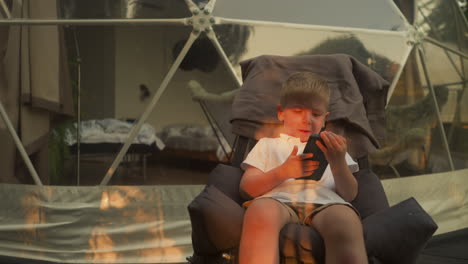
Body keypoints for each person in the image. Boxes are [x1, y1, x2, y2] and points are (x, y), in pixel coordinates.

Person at [239, 72, 368, 264]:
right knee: (260, 212)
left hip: (326, 203)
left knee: (346, 221)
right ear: (281, 112)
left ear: (325, 118)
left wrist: (338, 162)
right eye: (298, 111)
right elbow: (247, 187)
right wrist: (283, 172)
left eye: (315, 114)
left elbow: (349, 194)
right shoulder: (268, 144)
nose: (307, 120)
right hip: (277, 200)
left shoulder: (333, 148)